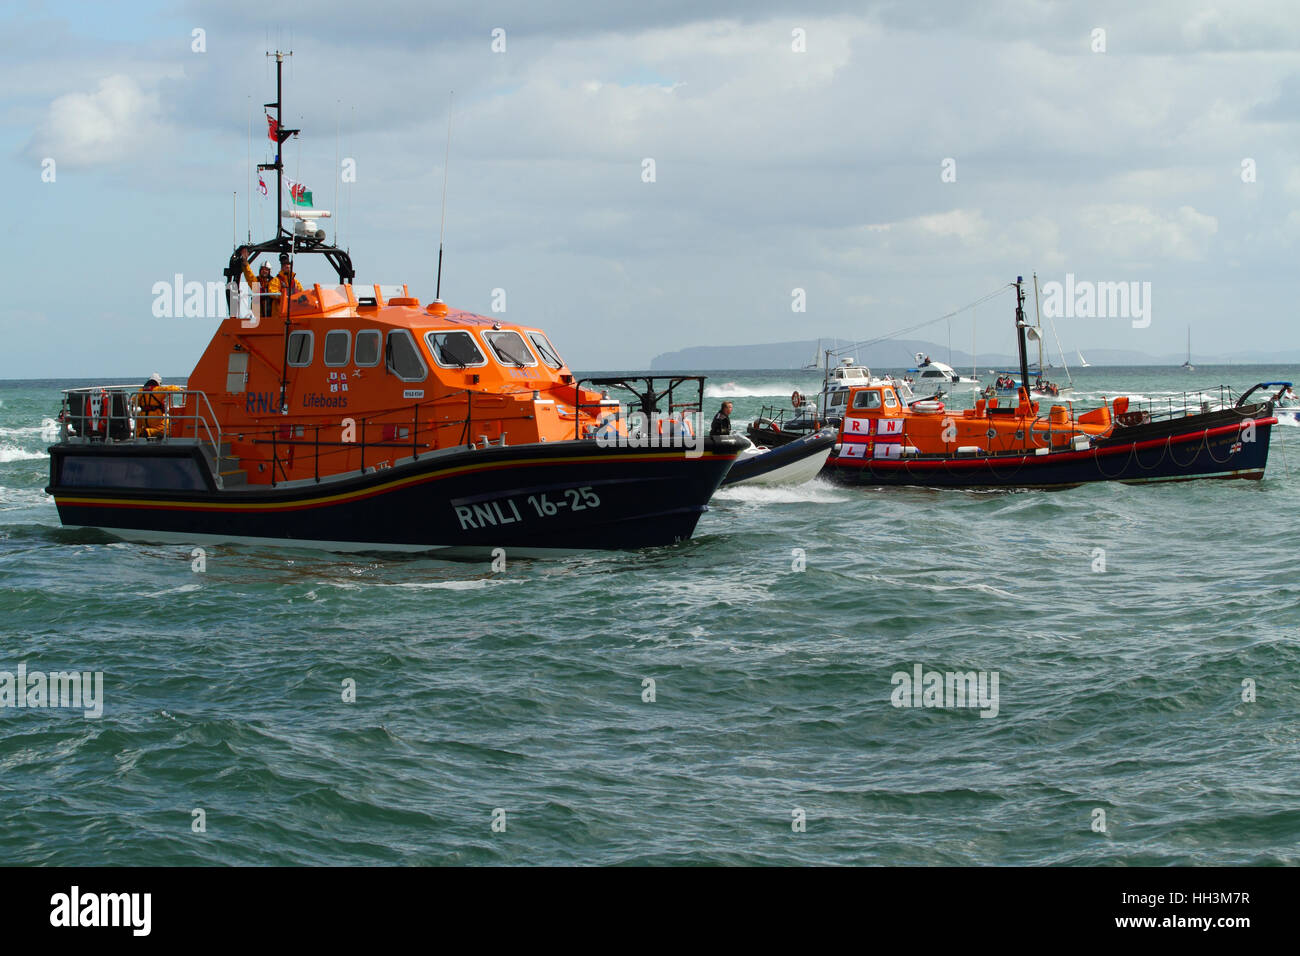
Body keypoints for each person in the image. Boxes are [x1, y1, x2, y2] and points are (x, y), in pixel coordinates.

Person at [241, 251, 303, 317]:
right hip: (258, 315)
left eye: (266, 269)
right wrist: (245, 265)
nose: (264, 271)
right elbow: (249, 276)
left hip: (280, 313)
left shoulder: (293, 282)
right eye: (263, 269)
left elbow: (302, 292)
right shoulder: (258, 283)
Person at [136, 372, 167, 439]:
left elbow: (134, 400)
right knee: (167, 426)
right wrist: (179, 389)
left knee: (138, 418)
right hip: (155, 418)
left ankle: (139, 433)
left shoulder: (140, 391)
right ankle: (150, 432)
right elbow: (171, 388)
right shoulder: (158, 390)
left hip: (144, 419)